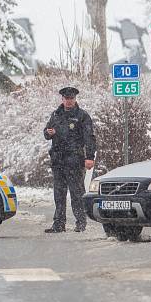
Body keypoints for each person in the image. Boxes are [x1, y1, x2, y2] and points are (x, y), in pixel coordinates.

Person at [43, 86, 96, 233]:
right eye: (66, 98)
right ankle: (59, 224)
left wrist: (90, 157)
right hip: (58, 160)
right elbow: (46, 132)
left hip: (74, 160)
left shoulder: (82, 116)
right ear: (62, 99)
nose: (69, 101)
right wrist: (48, 132)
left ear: (75, 99)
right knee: (59, 194)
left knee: (76, 193)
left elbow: (89, 138)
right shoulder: (56, 114)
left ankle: (81, 222)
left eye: (71, 98)